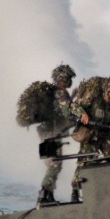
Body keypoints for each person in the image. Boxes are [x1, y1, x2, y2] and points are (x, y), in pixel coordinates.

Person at [37, 63, 76, 205]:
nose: (71, 81)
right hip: (53, 134)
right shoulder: (60, 93)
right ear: (64, 78)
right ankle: (44, 195)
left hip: (46, 132)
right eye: (69, 78)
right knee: (55, 164)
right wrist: (76, 116)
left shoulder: (54, 92)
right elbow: (66, 111)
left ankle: (49, 195)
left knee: (52, 163)